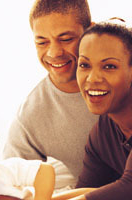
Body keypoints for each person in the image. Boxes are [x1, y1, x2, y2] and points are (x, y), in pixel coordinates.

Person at [3, 0, 98, 191]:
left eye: (65, 39)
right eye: (42, 42)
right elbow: (10, 185)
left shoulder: (122, 82)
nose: (54, 52)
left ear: (90, 32)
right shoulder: (30, 116)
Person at [62, 19, 132, 200]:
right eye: (84, 65)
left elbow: (129, 186)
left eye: (109, 66)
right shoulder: (102, 133)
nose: (92, 79)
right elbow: (90, 189)